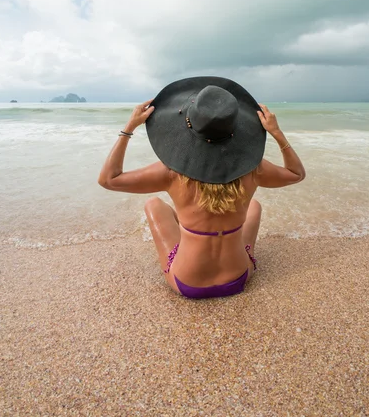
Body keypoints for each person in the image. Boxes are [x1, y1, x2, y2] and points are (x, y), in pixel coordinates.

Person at [98, 76, 305, 299]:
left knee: (154, 204)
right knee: (253, 205)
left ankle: (191, 227)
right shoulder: (255, 170)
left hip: (188, 283)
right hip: (239, 277)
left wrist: (129, 128)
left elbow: (109, 179)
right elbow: (296, 174)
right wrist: (276, 132)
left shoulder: (170, 172)